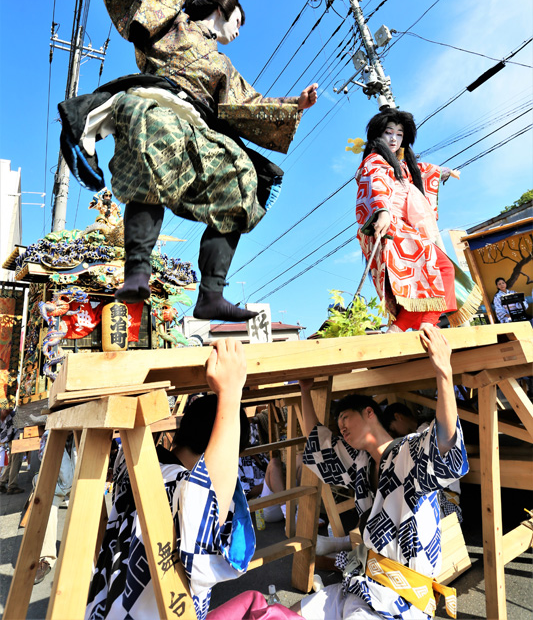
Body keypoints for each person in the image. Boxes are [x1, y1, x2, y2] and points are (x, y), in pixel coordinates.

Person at [61, 0, 318, 322]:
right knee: (156, 145)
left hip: (199, 125)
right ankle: (136, 270)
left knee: (241, 177)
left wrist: (293, 105)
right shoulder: (171, 19)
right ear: (223, 6)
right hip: (154, 103)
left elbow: (247, 105)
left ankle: (211, 293)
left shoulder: (222, 66)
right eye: (239, 20)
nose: (238, 31)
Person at [293, 324, 468, 620]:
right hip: (363, 585)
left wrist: (444, 372)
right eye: (339, 423)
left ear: (370, 413)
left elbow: (446, 441)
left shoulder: (409, 451)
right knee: (288, 614)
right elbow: (319, 443)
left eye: (346, 418)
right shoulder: (361, 463)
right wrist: (304, 391)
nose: (342, 427)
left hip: (401, 600)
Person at [86, 339, 255, 620]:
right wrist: (230, 392)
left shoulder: (137, 462)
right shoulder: (182, 487)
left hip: (106, 606)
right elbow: (206, 502)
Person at [355, 109, 479, 332]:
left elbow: (420, 171)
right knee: (442, 269)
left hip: (403, 228)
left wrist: (442, 172)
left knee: (422, 283)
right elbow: (376, 184)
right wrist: (382, 211)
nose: (394, 138)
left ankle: (402, 330)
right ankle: (427, 324)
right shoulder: (374, 161)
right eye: (388, 132)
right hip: (392, 227)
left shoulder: (398, 164)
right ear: (378, 135)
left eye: (399, 134)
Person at [33, 432, 77, 584]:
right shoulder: (50, 434)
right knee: (47, 504)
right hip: (57, 481)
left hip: (82, 476)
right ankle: (46, 558)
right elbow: (44, 457)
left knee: (85, 499)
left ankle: (88, 546)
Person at [0, 408, 24, 495]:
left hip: (12, 438)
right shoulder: (10, 415)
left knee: (11, 462)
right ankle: (12, 486)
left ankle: (2, 482)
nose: (7, 411)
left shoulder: (9, 415)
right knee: (16, 461)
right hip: (15, 438)